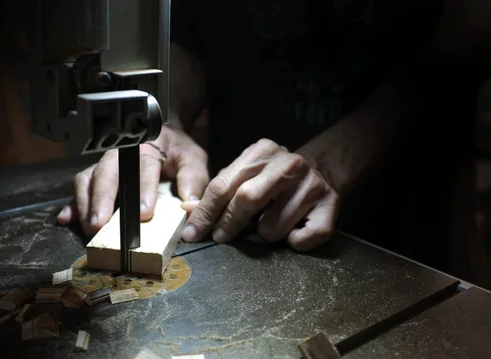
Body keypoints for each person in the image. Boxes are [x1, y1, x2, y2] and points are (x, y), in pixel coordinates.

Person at [57, 0, 491, 254]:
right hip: (246, 218)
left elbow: (457, 49)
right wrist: (159, 120)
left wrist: (326, 163)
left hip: (403, 222)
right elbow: (189, 41)